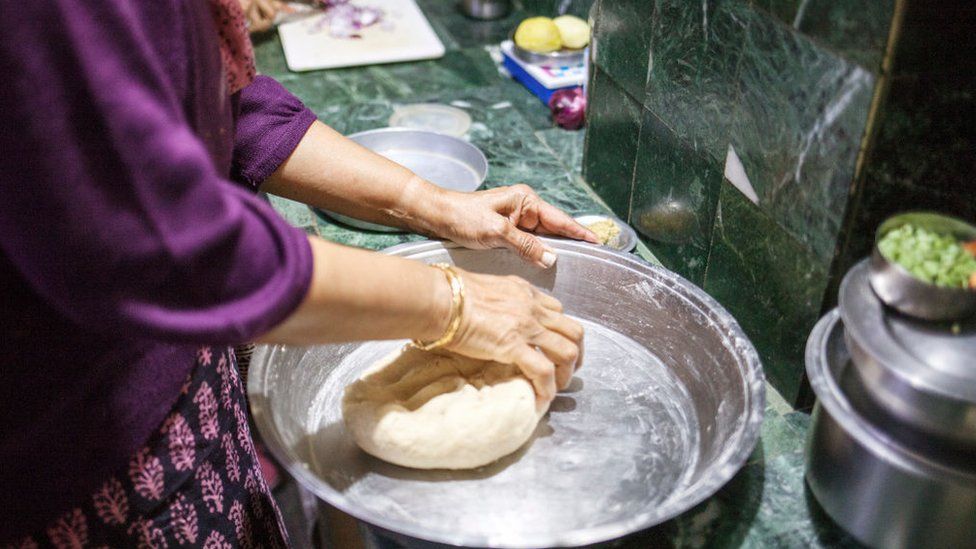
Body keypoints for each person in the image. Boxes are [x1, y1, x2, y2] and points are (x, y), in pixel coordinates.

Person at [0, 0, 597, 546]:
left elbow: (227, 106)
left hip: (180, 387)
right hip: (78, 466)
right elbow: (169, 245)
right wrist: (455, 305)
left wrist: (433, 203)